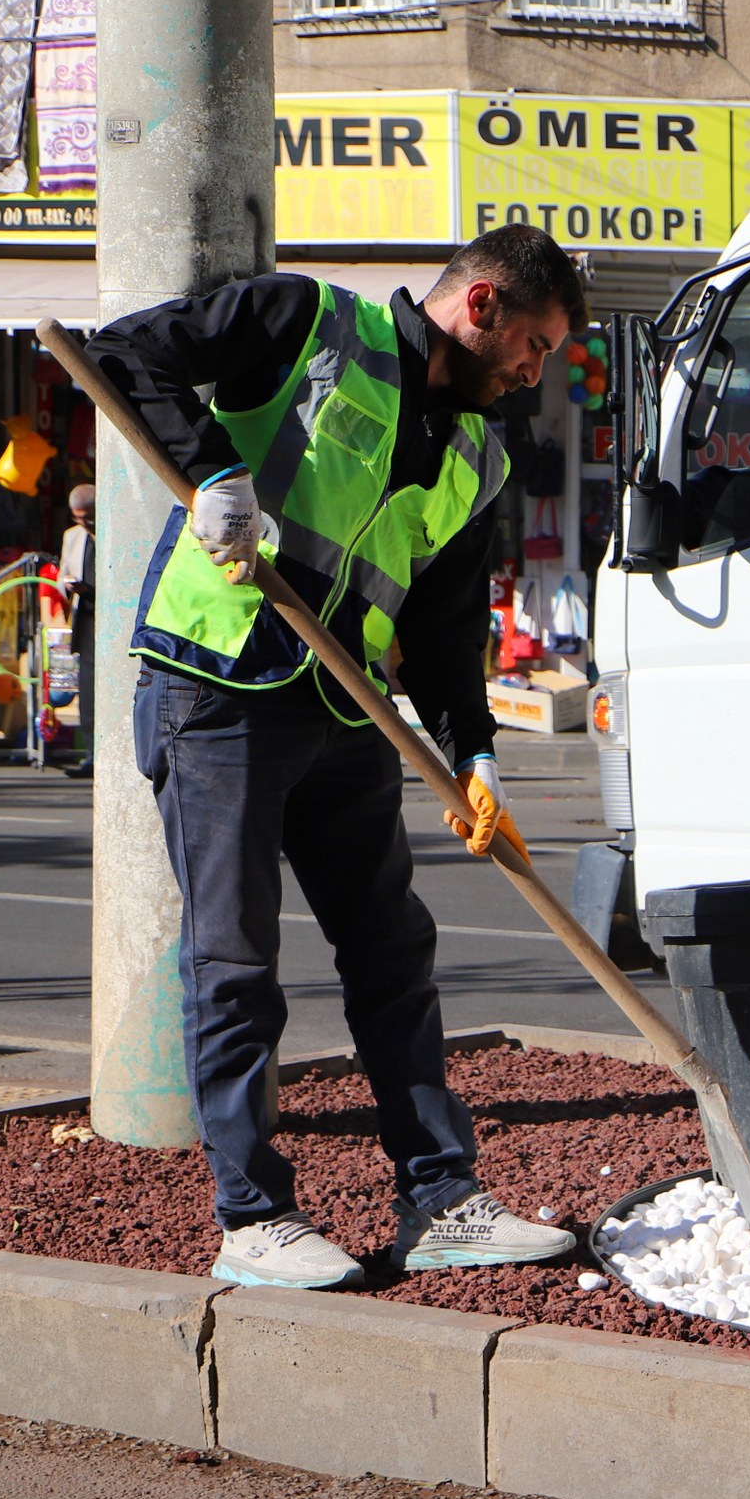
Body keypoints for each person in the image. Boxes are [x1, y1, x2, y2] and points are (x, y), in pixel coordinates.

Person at [80, 225, 585, 1289]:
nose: (537, 372)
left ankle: (440, 1197)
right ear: (482, 306)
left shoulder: (480, 458)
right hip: (216, 683)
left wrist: (477, 755)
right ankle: (253, 1217)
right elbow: (126, 350)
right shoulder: (311, 323)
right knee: (236, 963)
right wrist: (212, 468)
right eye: (536, 344)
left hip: (347, 704)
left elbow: (447, 632)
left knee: (394, 952)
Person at [58, 481, 94, 775]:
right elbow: (61, 576)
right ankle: (91, 753)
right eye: (78, 517)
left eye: (89, 517)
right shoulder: (73, 536)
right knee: (87, 689)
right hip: (85, 617)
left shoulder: (114, 528)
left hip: (110, 617)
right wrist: (69, 585)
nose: (84, 523)